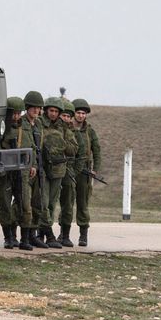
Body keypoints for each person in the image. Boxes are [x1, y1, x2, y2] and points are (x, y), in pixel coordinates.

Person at [39, 97, 77, 249]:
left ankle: (42, 234)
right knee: (43, 202)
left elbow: (73, 149)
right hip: (42, 168)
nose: (53, 114)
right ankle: (48, 234)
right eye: (51, 111)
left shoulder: (65, 128)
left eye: (56, 111)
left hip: (58, 170)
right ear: (46, 110)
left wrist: (59, 144)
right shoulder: (40, 124)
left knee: (51, 204)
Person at [0, 97, 26, 249]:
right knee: (5, 204)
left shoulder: (23, 129)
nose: (16, 116)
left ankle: (14, 235)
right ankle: (7, 237)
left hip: (18, 172)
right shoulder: (1, 130)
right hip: (4, 172)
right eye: (13, 113)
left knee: (19, 203)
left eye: (19, 113)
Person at [72, 98, 101, 247]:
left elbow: (97, 150)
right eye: (78, 112)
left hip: (84, 171)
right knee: (67, 203)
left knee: (82, 204)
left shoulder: (89, 131)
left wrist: (95, 168)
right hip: (69, 170)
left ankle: (83, 234)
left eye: (83, 113)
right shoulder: (67, 128)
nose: (81, 116)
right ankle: (64, 234)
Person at [24, 90, 48, 249]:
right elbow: (27, 147)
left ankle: (33, 235)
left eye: (39, 108)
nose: (36, 111)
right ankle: (23, 238)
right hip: (26, 168)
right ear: (27, 108)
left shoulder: (39, 124)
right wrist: (31, 164)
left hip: (39, 169)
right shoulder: (21, 124)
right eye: (33, 108)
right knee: (24, 204)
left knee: (38, 203)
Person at [58, 100, 77, 246]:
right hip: (50, 170)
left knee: (68, 205)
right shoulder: (49, 128)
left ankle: (65, 234)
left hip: (68, 170)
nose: (66, 118)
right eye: (63, 115)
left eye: (68, 116)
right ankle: (40, 233)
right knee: (45, 203)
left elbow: (76, 151)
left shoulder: (72, 132)